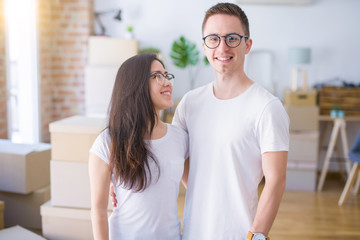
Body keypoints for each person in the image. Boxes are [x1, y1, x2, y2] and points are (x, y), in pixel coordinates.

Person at [172, 3, 289, 240]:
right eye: (213, 39)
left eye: (232, 38)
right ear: (204, 46)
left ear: (247, 45)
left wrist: (257, 235)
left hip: (240, 234)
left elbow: (275, 180)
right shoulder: (189, 103)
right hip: (193, 231)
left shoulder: (267, 107)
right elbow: (171, 156)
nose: (222, 47)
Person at [88, 53, 188, 240]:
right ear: (136, 85)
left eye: (167, 75)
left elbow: (196, 187)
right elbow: (98, 210)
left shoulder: (180, 138)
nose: (167, 82)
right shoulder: (108, 142)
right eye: (157, 76)